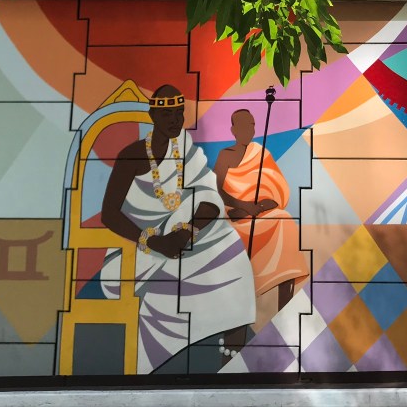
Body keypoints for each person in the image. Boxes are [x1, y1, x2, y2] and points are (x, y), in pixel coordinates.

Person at [101, 85, 256, 373]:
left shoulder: (185, 150)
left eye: (179, 112)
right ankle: (148, 365)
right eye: (167, 113)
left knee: (234, 256)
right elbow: (109, 215)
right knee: (168, 288)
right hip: (137, 252)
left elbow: (209, 197)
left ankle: (231, 365)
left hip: (181, 240)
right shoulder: (131, 155)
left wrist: (186, 233)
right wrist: (154, 242)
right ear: (153, 115)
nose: (175, 119)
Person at [214, 109, 309, 314]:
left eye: (252, 125)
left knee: (284, 219)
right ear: (233, 130)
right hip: (235, 215)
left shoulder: (261, 153)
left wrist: (263, 205)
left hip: (259, 213)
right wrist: (243, 206)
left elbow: (277, 189)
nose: (249, 130)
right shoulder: (225, 155)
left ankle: (285, 306)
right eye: (243, 126)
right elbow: (217, 189)